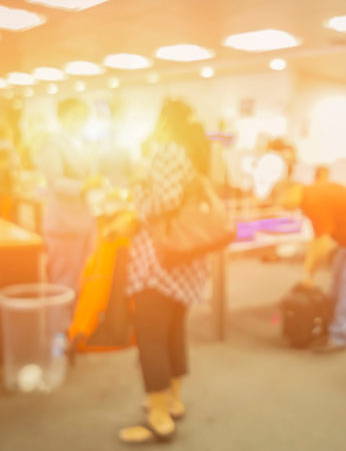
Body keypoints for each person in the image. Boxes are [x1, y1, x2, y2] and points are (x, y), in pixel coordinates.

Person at [118, 99, 211, 444]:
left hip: (160, 261)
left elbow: (164, 201)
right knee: (172, 332)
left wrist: (138, 194)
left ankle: (158, 418)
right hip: (184, 258)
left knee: (151, 336)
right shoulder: (197, 152)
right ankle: (173, 400)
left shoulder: (170, 151)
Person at [274, 179, 346, 353]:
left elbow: (322, 245)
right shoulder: (310, 197)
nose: (283, 206)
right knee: (339, 277)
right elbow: (318, 239)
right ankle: (331, 327)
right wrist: (308, 272)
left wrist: (309, 274)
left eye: (281, 201)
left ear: (291, 191)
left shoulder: (314, 201)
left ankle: (339, 336)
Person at [36, 98, 98, 295]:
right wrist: (85, 185)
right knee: (63, 282)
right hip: (63, 223)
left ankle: (75, 325)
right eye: (76, 117)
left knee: (80, 280)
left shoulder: (82, 144)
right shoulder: (52, 145)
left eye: (84, 117)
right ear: (62, 118)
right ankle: (58, 326)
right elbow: (55, 182)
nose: (81, 122)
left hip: (83, 222)